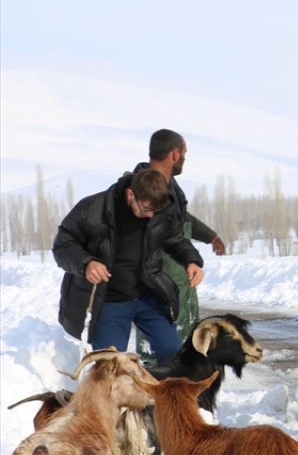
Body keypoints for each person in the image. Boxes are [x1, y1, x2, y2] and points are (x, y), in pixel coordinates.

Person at [54, 169, 205, 365]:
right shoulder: (92, 209)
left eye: (155, 212)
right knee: (111, 365)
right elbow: (63, 245)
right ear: (130, 194)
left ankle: (162, 395)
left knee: (173, 354)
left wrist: (191, 260)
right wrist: (86, 263)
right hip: (109, 300)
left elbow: (174, 239)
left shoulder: (159, 208)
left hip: (148, 295)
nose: (151, 216)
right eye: (145, 209)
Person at [134, 129, 225, 358]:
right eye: (184, 153)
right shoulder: (141, 189)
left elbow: (182, 219)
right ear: (175, 154)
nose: (185, 158)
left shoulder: (171, 187)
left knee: (182, 344)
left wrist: (210, 236)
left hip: (179, 278)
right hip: (157, 282)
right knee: (156, 350)